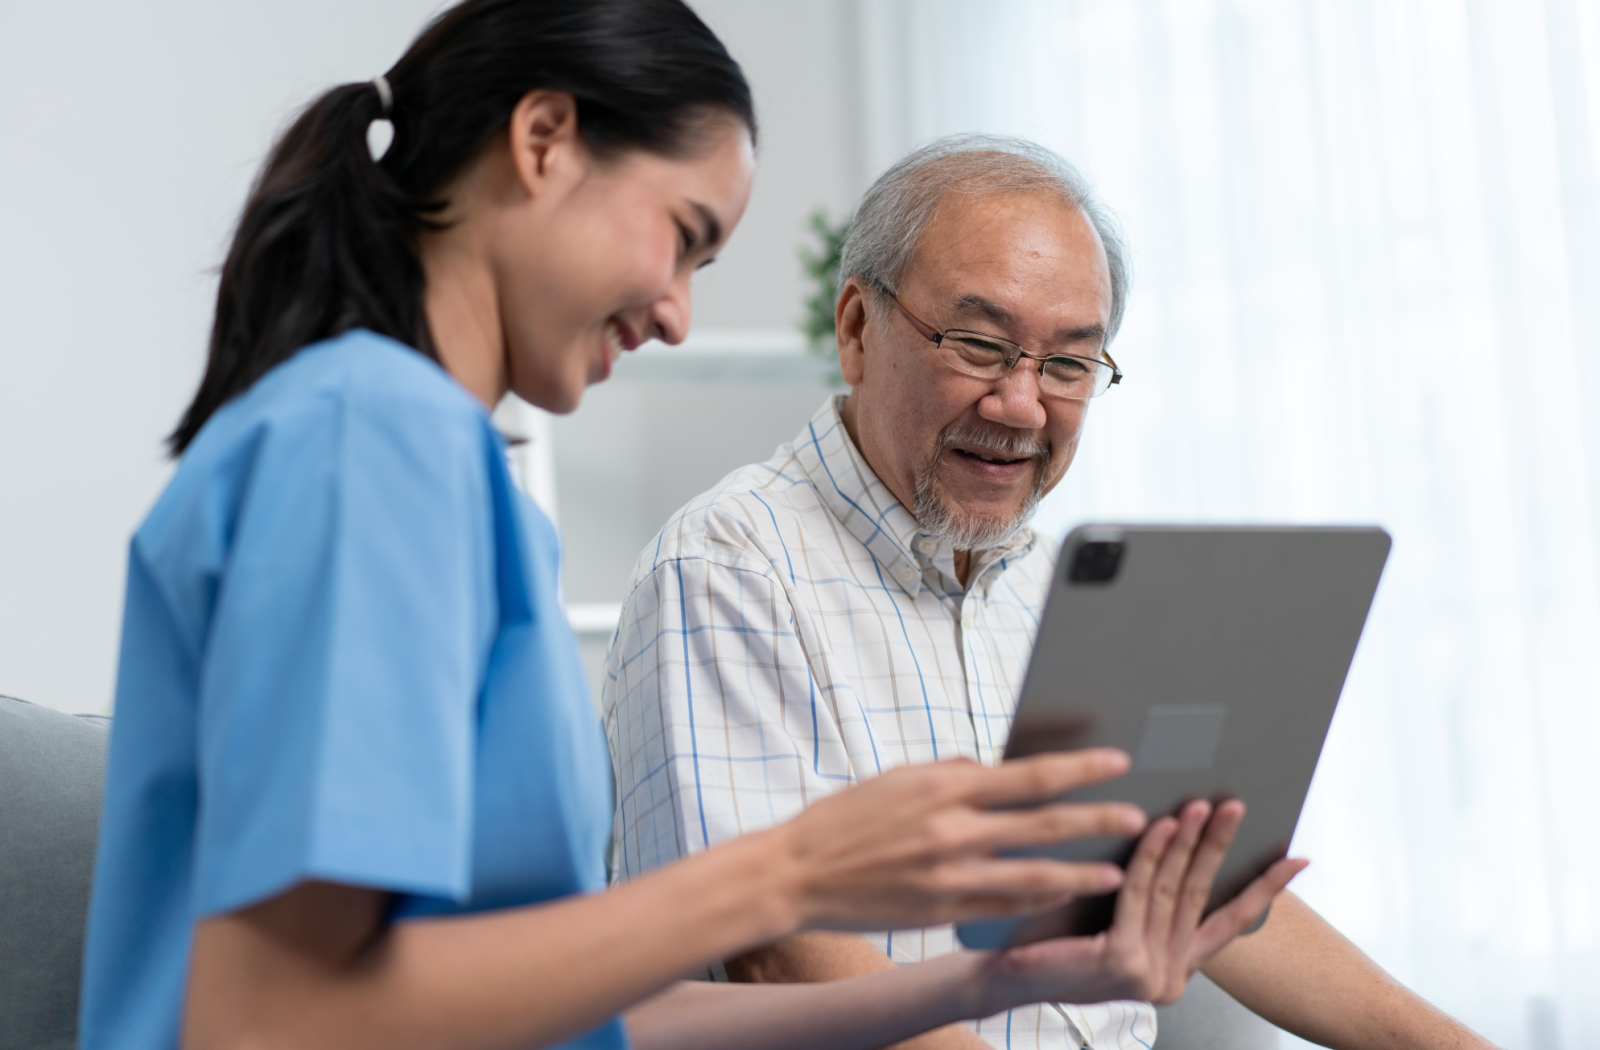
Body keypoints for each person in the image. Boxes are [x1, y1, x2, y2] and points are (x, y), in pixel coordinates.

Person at [77, 5, 1307, 1050]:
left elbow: (591, 1021)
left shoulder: (458, 482)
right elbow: (266, 1017)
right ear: (544, 141)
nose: (674, 313)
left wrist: (996, 980)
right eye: (683, 236)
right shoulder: (369, 441)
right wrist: (792, 871)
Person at [603, 135, 1498, 1050]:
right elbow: (780, 958)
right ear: (858, 329)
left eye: (1069, 364)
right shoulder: (729, 567)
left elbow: (1186, 881)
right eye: (983, 345)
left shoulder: (1061, 585)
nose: (1022, 406)